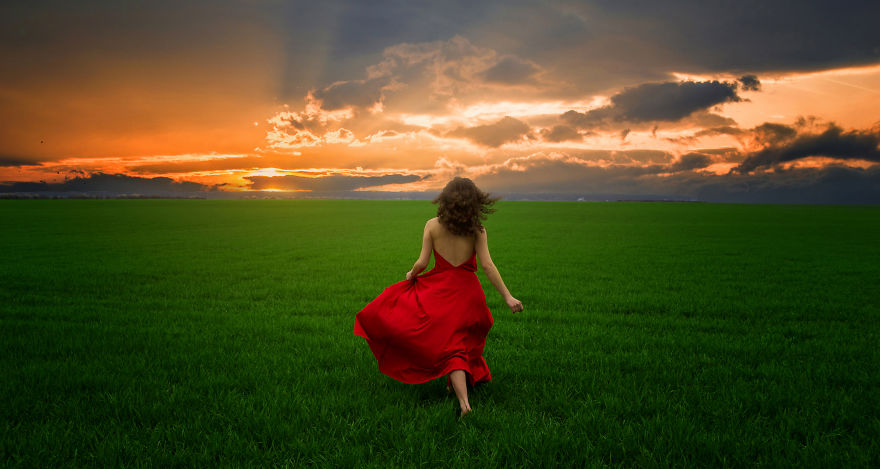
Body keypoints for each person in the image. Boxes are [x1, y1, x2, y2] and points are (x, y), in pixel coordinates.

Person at [354, 177, 523, 417]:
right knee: (459, 345)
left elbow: (422, 262)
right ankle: (462, 399)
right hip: (468, 295)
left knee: (451, 345)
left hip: (441, 293)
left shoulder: (432, 225)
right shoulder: (477, 230)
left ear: (445, 199)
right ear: (474, 202)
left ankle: (463, 401)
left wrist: (411, 275)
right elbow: (487, 265)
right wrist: (508, 297)